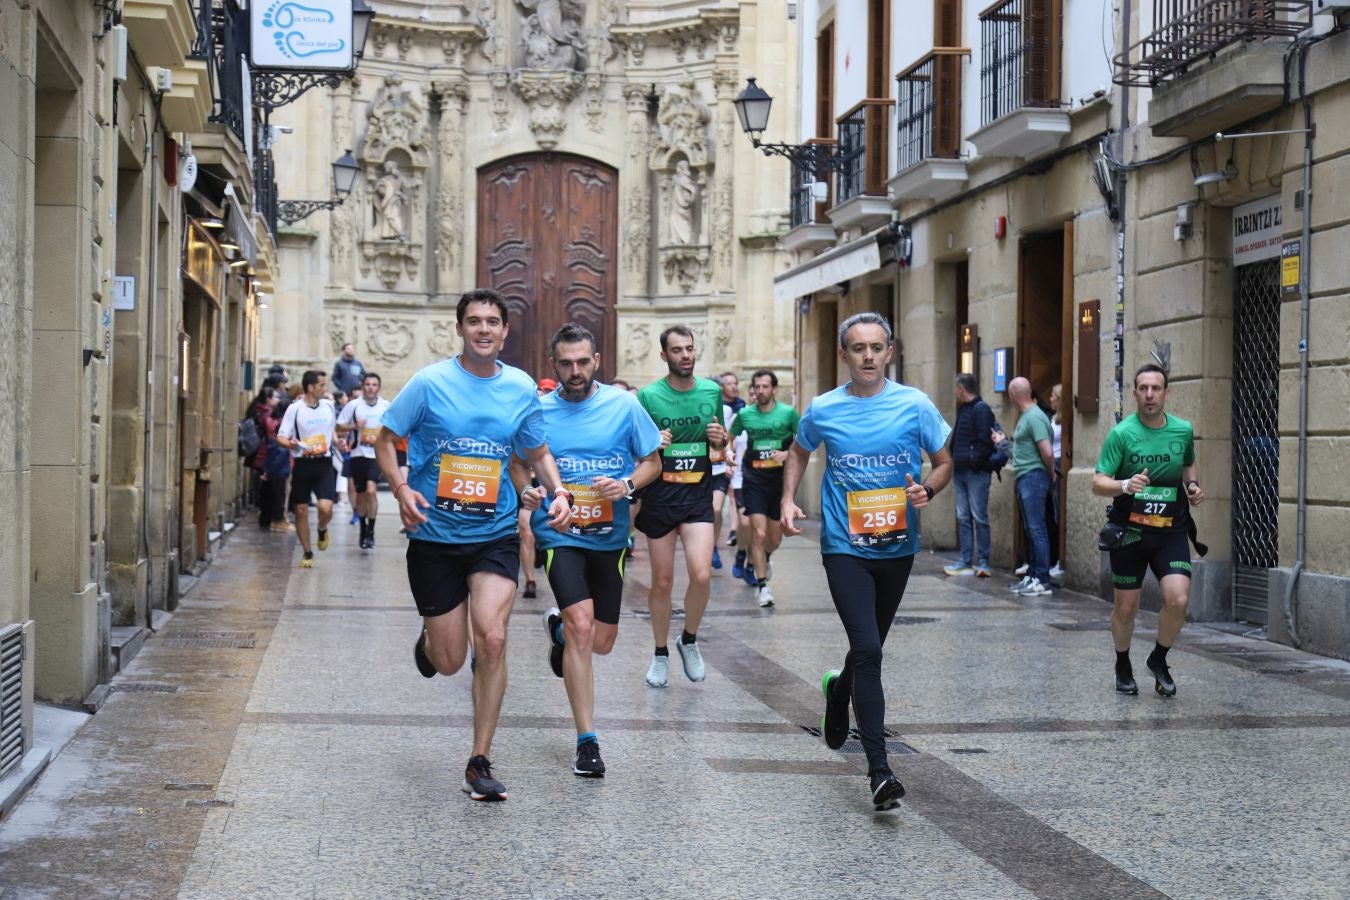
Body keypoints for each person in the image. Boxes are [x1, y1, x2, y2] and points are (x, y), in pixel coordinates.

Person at [374, 288, 573, 803]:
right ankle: (430, 641)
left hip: (495, 534)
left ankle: (479, 759)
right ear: (459, 329)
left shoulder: (521, 387)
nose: (483, 329)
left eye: (492, 322)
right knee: (448, 660)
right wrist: (401, 488)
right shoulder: (429, 383)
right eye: (474, 321)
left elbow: (536, 448)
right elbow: (385, 438)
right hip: (435, 536)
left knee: (493, 638)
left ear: (505, 332)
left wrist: (559, 491)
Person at [781, 312, 952, 811]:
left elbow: (943, 462)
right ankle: (880, 771)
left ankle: (839, 692)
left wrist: (929, 489)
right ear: (845, 355)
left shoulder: (914, 405)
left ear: (890, 352)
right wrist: (788, 499)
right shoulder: (824, 408)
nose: (869, 356)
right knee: (870, 649)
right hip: (844, 548)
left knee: (868, 648)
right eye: (859, 348)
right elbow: (799, 451)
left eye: (877, 347)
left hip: (897, 547)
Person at [515, 322, 662, 778]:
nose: (575, 371)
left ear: (596, 361)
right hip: (560, 534)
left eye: (583, 362)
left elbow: (653, 462)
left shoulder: (624, 405)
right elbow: (519, 465)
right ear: (553, 364)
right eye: (566, 363)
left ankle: (557, 633)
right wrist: (529, 492)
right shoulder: (538, 411)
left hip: (610, 538)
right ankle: (587, 741)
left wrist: (626, 484)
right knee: (583, 626)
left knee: (601, 640)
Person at [1092, 363, 1203, 697]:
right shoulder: (1122, 434)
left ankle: (1158, 658)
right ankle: (1122, 664)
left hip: (1171, 531)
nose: (1150, 395)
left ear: (1166, 393)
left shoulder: (1182, 430)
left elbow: (1187, 462)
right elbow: (1098, 483)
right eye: (1143, 388)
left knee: (1178, 599)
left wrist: (1194, 485)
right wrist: (1126, 484)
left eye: (1156, 388)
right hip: (1131, 532)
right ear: (1135, 393)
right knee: (1126, 608)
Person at [634, 325, 728, 688]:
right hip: (659, 498)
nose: (685, 355)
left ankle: (688, 638)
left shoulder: (711, 391)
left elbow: (720, 447)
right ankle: (660, 652)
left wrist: (720, 440)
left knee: (701, 574)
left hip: (696, 497)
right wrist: (653, 441)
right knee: (662, 582)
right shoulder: (647, 396)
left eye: (689, 349)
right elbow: (637, 447)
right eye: (677, 350)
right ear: (664, 356)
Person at [729, 369, 800, 607]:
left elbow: (804, 444)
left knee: (774, 537)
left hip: (779, 482)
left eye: (765, 387)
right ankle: (763, 586)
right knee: (758, 533)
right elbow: (730, 437)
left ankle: (764, 558)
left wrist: (787, 453)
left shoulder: (789, 413)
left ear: (774, 389)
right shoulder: (745, 414)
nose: (760, 391)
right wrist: (727, 453)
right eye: (757, 387)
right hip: (754, 480)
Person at [994, 377, 1055, 596]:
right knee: (1031, 529)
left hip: (1033, 477)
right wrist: (1002, 443)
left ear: (1012, 395)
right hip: (1027, 476)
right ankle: (1033, 576)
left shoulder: (1035, 417)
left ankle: (1042, 580)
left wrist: (1049, 472)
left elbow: (1047, 451)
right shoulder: (1029, 416)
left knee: (1036, 529)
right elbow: (1022, 452)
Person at [276, 371, 338, 568]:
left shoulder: (329, 406)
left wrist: (339, 442)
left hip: (324, 463)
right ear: (310, 387)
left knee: (325, 508)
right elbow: (281, 436)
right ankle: (308, 552)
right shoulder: (295, 409)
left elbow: (332, 431)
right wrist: (291, 444)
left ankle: (321, 528)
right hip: (303, 463)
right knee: (301, 510)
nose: (324, 388)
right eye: (321, 385)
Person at [945, 373, 996, 577]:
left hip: (975, 473)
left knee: (979, 517)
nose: (954, 393)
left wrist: (974, 462)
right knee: (963, 517)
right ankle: (965, 559)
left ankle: (983, 561)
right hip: (960, 471)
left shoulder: (981, 409)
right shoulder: (964, 409)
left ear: (961, 389)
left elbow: (986, 440)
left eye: (956, 389)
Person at [336, 373, 391, 549]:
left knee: (371, 489)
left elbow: (394, 428)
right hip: (358, 454)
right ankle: (362, 527)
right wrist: (354, 426)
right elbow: (338, 426)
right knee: (360, 494)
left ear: (378, 388)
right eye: (367, 384)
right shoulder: (353, 406)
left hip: (377, 455)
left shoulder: (385, 406)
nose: (370, 388)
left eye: (374, 385)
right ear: (363, 386)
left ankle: (371, 532)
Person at [1048, 383, 1065, 583]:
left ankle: (1060, 561)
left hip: (1059, 464)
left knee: (1058, 513)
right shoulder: (1053, 419)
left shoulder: (1064, 421)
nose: (1050, 398)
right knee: (1053, 513)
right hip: (1053, 465)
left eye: (1053, 395)